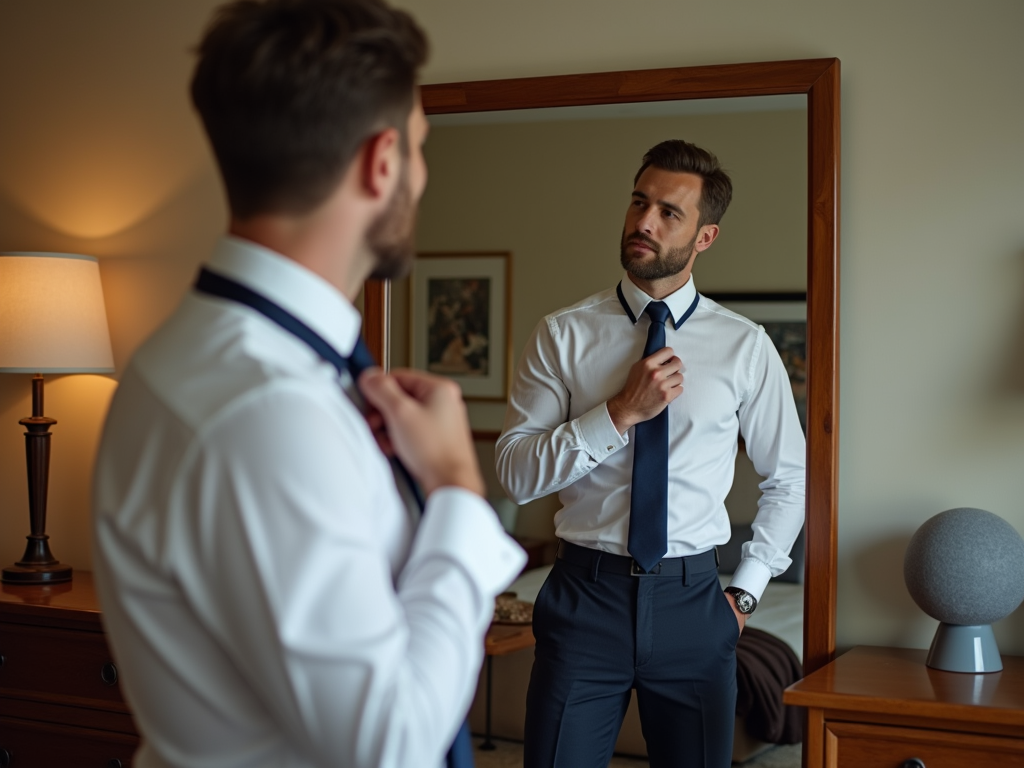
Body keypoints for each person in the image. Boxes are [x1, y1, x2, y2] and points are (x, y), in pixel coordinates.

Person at [91, 2, 525, 767]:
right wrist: (459, 490)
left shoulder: (194, 357)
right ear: (381, 161)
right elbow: (390, 746)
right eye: (422, 147)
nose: (423, 176)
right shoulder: (267, 412)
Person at [496, 139, 805, 768]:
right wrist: (617, 415)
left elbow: (790, 480)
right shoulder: (562, 335)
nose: (643, 222)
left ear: (705, 236)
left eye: (669, 212)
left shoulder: (745, 347)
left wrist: (744, 595)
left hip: (695, 603)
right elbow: (515, 473)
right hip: (584, 598)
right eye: (640, 202)